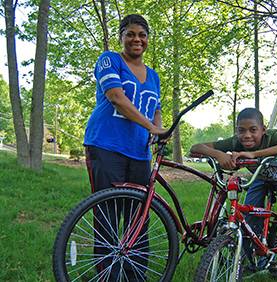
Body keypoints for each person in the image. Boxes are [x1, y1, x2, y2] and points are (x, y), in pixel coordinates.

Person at [190, 108, 277, 282]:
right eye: (241, 130)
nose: (247, 135)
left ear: (263, 129)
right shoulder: (235, 142)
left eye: (253, 130)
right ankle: (253, 261)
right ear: (236, 131)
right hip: (260, 178)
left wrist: (254, 155)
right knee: (248, 220)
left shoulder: (272, 137)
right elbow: (196, 147)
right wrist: (219, 154)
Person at [83, 14, 166, 280]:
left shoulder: (153, 76)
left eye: (142, 35)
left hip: (139, 153)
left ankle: (135, 274)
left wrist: (158, 131)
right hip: (106, 146)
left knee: (138, 216)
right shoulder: (109, 59)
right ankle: (107, 274)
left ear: (148, 39)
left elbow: (156, 110)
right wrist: (151, 127)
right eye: (130, 34)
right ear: (121, 37)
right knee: (107, 214)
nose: (136, 39)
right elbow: (116, 97)